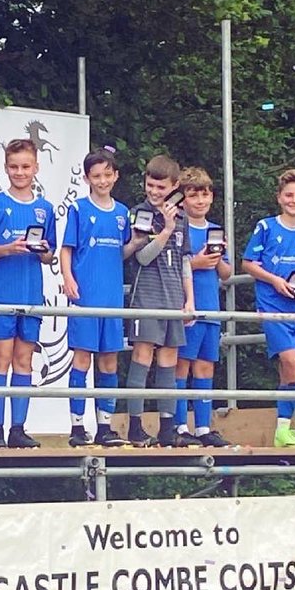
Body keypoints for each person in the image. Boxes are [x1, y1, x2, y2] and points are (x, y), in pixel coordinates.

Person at [241, 168, 295, 448]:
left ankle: (282, 429)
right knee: (291, 361)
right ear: (279, 197)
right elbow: (248, 263)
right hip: (271, 302)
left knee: (289, 368)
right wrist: (275, 281)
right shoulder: (266, 227)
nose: (294, 200)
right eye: (289, 195)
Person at [0, 138, 57, 448]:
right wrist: (9, 248)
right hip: (1, 292)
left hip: (31, 295)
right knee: (1, 358)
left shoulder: (45, 209)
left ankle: (18, 428)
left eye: (26, 166)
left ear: (36, 168)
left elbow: (50, 256)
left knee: (24, 360)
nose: (20, 172)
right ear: (5, 168)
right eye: (14, 167)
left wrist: (43, 251)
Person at [59, 149, 131, 447]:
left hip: (112, 297)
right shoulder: (78, 209)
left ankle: (105, 426)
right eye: (96, 176)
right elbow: (66, 248)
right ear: (87, 178)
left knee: (110, 361)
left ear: (116, 176)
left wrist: (139, 240)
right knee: (82, 358)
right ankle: (77, 426)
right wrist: (68, 278)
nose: (102, 180)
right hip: (85, 295)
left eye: (107, 174)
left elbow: (123, 252)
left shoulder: (123, 213)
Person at [122, 154, 194, 448]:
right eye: (150, 185)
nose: (154, 192)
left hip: (173, 297)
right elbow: (141, 256)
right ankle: (135, 427)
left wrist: (190, 299)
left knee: (169, 361)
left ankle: (168, 427)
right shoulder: (138, 214)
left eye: (161, 187)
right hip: (146, 297)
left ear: (175, 187)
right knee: (142, 358)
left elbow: (185, 261)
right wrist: (164, 230)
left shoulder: (184, 219)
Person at [172, 167, 232, 448]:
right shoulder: (178, 227)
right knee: (181, 366)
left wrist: (217, 258)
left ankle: (204, 426)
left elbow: (227, 273)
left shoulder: (215, 230)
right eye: (193, 195)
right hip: (187, 307)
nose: (200, 201)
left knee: (206, 367)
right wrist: (194, 263)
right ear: (182, 198)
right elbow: (172, 265)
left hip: (211, 307)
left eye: (205, 194)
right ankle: (179, 424)